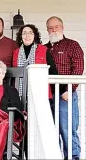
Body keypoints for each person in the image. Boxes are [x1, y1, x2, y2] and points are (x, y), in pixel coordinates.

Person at [13, 24, 59, 158]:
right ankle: (26, 156)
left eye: (30, 33)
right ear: (20, 36)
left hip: (41, 96)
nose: (27, 35)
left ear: (35, 36)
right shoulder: (16, 53)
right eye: (24, 33)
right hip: (22, 97)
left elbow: (53, 73)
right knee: (24, 130)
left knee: (41, 128)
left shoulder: (43, 50)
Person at [45, 16, 84, 160]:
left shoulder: (72, 45)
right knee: (51, 132)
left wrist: (70, 89)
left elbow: (78, 68)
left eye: (56, 27)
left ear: (62, 27)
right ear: (47, 29)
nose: (53, 30)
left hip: (65, 96)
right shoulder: (45, 48)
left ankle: (73, 158)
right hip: (48, 96)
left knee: (68, 131)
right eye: (50, 28)